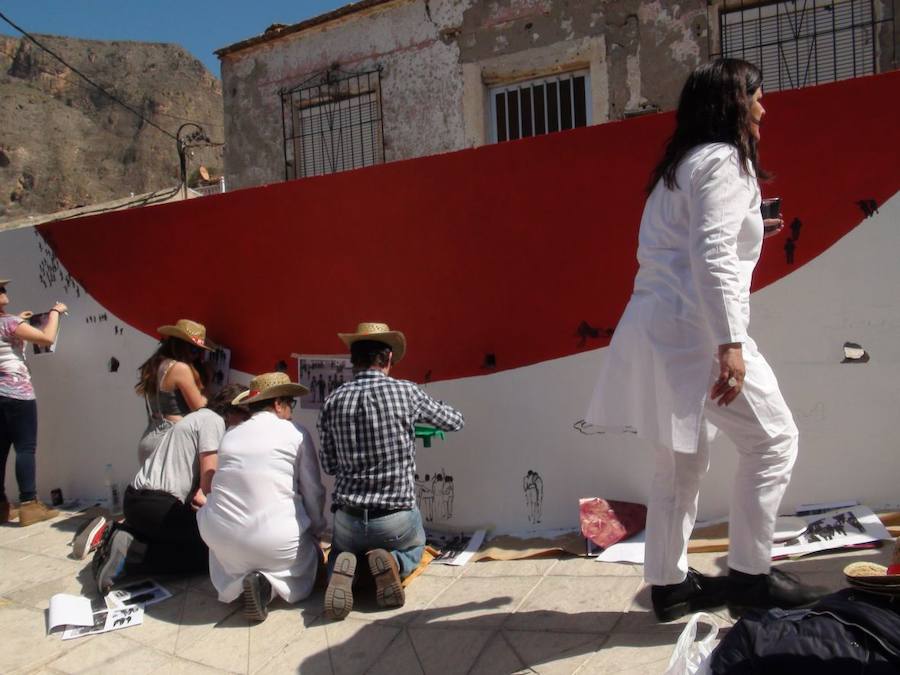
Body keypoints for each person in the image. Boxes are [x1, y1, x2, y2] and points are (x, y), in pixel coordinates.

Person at [585, 58, 822, 621]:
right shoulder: (725, 161)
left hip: (656, 327)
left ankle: (668, 585)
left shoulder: (679, 167)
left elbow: (691, 243)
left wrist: (752, 226)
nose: (764, 107)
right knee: (773, 442)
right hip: (695, 331)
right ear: (732, 104)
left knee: (679, 466)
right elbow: (711, 254)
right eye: (756, 96)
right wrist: (730, 344)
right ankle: (750, 575)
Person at [317, 322, 464, 620]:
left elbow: (330, 465)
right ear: (386, 360)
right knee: (417, 545)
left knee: (338, 551)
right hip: (395, 520)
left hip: (348, 519)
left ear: (354, 362)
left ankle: (344, 568)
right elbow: (454, 421)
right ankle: (395, 563)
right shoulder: (406, 392)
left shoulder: (332, 401)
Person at [91, 384, 249, 591]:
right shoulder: (214, 421)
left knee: (184, 537)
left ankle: (123, 535)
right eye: (246, 416)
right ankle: (132, 554)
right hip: (157, 505)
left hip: (136, 501)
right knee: (210, 554)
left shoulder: (196, 417)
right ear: (232, 410)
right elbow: (208, 481)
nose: (245, 424)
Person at [197, 372, 327, 622]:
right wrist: (317, 531)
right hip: (276, 544)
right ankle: (267, 588)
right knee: (306, 561)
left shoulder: (230, 435)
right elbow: (313, 491)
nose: (292, 411)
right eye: (291, 404)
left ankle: (246, 581)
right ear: (278, 404)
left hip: (223, 540)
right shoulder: (296, 433)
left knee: (228, 543)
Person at [0, 277, 66, 527]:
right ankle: (29, 504)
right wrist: (55, 312)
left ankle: (2, 506)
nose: (4, 290)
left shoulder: (10, 322)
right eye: (0, 289)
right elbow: (46, 338)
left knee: (1, 450)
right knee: (25, 448)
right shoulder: (9, 323)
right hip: (18, 394)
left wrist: (18, 320)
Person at [136, 319, 212, 466]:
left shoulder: (155, 366)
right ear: (180, 346)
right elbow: (201, 409)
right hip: (172, 444)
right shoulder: (180, 368)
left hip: (151, 438)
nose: (197, 356)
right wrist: (206, 383)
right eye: (195, 350)